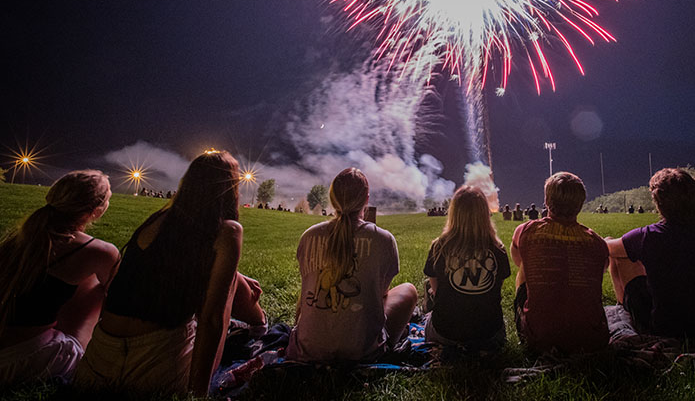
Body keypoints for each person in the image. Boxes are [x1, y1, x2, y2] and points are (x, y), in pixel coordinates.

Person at [75, 151, 261, 396]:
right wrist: (197, 395)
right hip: (154, 366)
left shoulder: (160, 219)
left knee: (228, 281)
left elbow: (168, 263)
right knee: (221, 301)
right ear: (229, 187)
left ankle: (259, 325)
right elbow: (213, 319)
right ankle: (260, 328)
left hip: (96, 364)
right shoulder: (228, 231)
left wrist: (234, 273)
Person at [0, 171, 120, 387]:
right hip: (20, 359)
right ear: (96, 210)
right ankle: (80, 351)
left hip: (8, 345)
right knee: (97, 288)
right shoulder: (97, 251)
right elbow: (120, 296)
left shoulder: (20, 237)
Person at [286, 168, 417, 362]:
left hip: (308, 350)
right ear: (366, 199)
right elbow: (381, 293)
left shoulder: (309, 236)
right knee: (409, 291)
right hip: (362, 353)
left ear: (332, 198)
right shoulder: (384, 239)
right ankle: (387, 346)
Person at [606, 168, 695, 339]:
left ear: (660, 202)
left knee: (620, 255)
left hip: (670, 331)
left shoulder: (650, 236)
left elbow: (607, 247)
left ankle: (623, 311)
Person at [511, 172, 609, 353]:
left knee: (526, 266)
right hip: (592, 339)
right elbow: (600, 271)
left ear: (547, 200)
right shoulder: (597, 242)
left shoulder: (526, 230)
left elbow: (517, 258)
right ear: (580, 204)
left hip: (540, 339)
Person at [423, 187, 510, 350]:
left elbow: (435, 290)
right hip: (489, 335)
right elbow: (496, 288)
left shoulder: (439, 247)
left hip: (445, 334)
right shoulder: (498, 249)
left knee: (428, 286)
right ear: (485, 213)